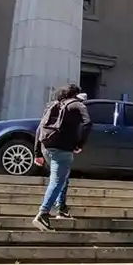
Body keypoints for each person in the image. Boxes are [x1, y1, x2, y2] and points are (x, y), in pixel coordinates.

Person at [32, 84, 91, 231]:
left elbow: (39, 128)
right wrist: (79, 144)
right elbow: (88, 123)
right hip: (63, 149)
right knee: (58, 180)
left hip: (46, 147)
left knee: (62, 178)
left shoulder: (52, 105)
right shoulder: (77, 105)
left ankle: (61, 209)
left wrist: (37, 153)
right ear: (76, 94)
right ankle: (43, 214)